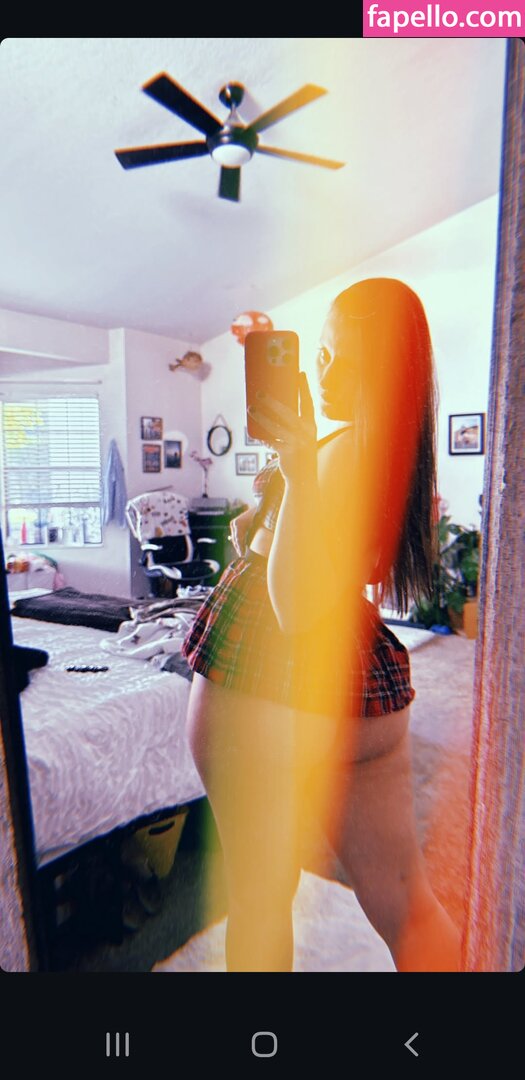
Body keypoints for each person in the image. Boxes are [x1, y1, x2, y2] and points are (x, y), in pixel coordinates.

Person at [182, 277, 462, 972]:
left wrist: (300, 471)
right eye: (321, 354)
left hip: (267, 681)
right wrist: (274, 506)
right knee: (405, 902)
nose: (322, 373)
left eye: (341, 360)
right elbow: (310, 560)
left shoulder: (335, 455)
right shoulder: (389, 453)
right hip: (360, 686)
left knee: (258, 898)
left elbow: (293, 605)